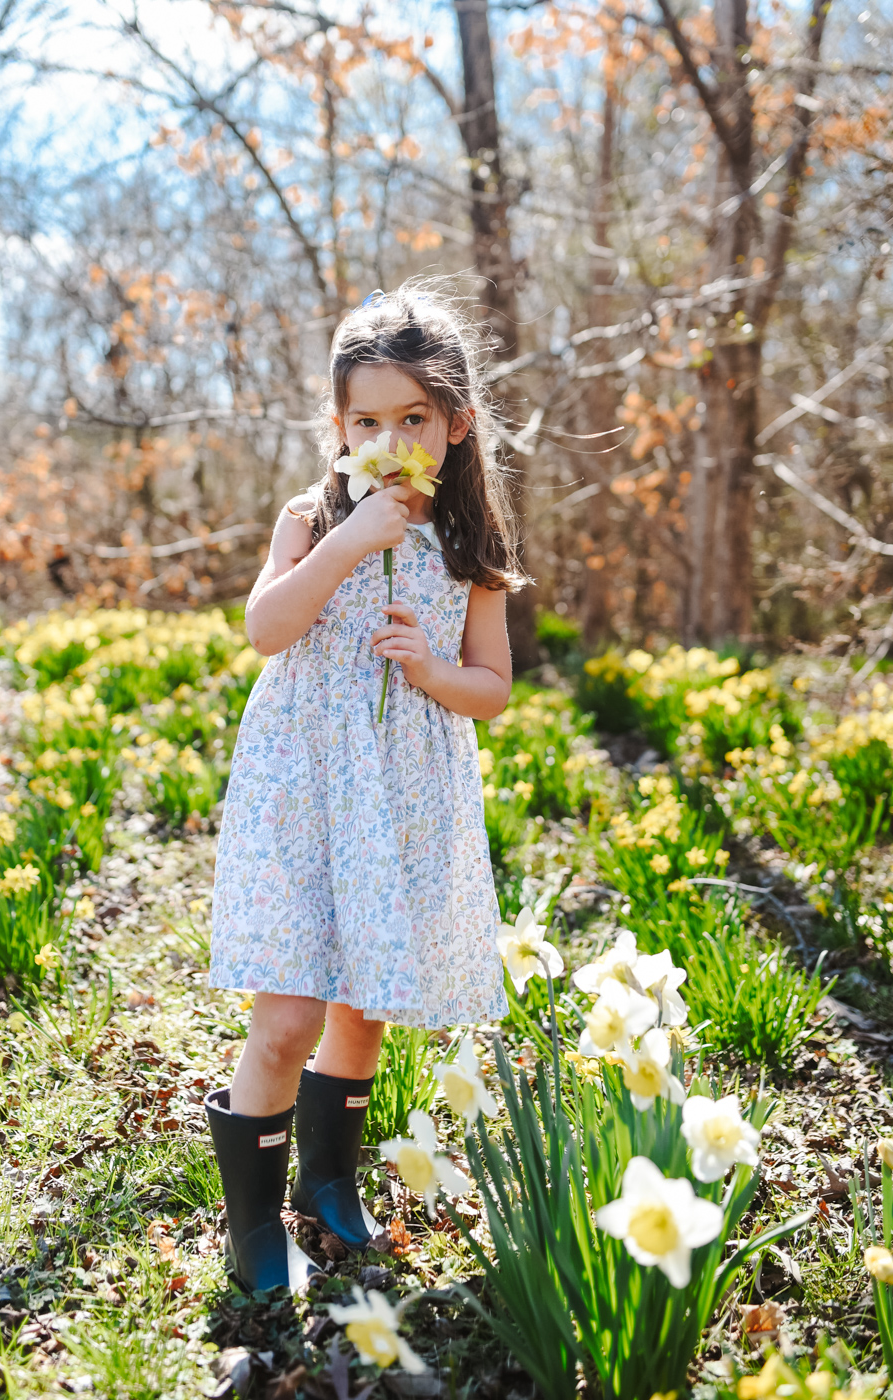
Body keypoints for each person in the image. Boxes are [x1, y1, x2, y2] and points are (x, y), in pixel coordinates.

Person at [204, 282, 527, 1291]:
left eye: (413, 420)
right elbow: (265, 629)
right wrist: (347, 541)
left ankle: (330, 1186)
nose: (390, 438)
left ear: (455, 423)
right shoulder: (313, 515)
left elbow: (493, 688)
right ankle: (255, 1229)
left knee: (363, 1005)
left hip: (400, 795)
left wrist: (433, 671)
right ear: (339, 427)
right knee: (289, 1012)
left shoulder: (470, 544)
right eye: (366, 421)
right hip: (301, 785)